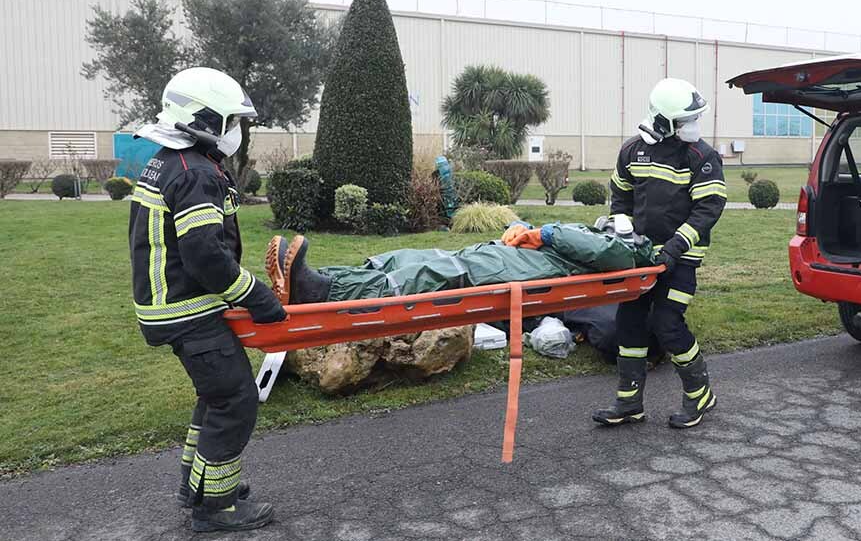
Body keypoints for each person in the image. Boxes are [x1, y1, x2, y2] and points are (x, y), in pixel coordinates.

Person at [129, 67, 286, 533]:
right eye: (229, 121)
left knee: (215, 397)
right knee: (236, 400)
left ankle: (197, 485)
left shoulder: (171, 161)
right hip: (188, 310)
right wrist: (257, 296)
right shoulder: (195, 173)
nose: (235, 131)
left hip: (172, 307)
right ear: (202, 119)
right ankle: (215, 507)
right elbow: (206, 258)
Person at [593, 78, 726, 429]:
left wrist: (673, 249)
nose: (694, 127)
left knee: (668, 324)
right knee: (629, 324)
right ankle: (628, 404)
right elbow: (620, 196)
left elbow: (709, 208)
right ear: (663, 121)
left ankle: (699, 395)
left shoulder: (702, 157)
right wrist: (621, 224)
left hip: (681, 260)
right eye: (686, 121)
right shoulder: (631, 151)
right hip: (639, 261)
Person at [265, 219, 655, 305]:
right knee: (407, 256)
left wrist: (547, 233)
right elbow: (573, 240)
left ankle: (318, 292)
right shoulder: (606, 236)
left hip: (506, 271)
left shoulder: (629, 250)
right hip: (504, 258)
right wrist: (524, 228)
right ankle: (318, 279)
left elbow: (606, 254)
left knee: (423, 273)